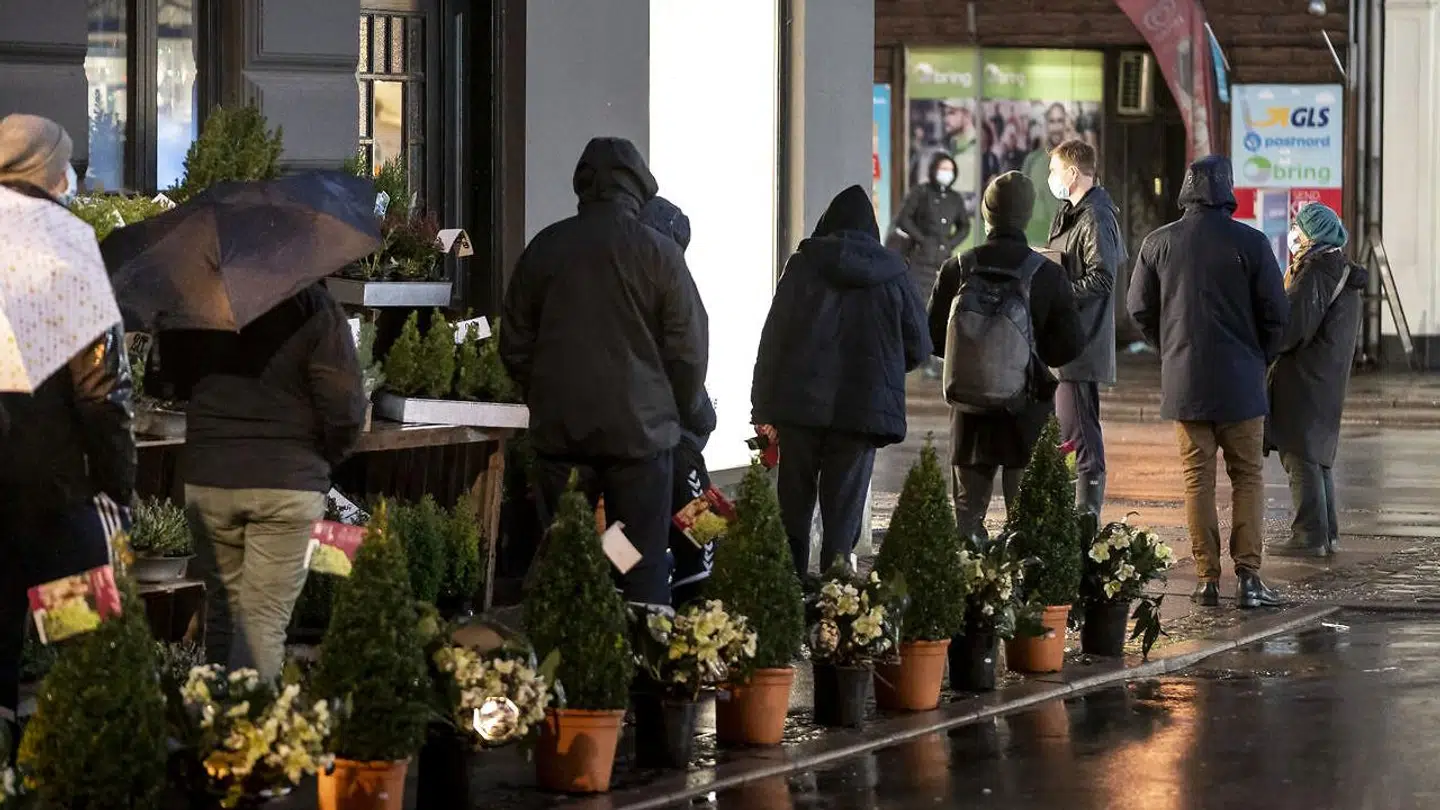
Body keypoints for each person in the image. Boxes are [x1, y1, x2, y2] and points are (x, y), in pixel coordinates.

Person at [501, 137, 709, 607]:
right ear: (639, 188)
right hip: (640, 440)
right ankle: (643, 664)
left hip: (562, 436)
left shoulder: (546, 248)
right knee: (638, 556)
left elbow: (514, 342)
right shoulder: (660, 255)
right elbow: (688, 350)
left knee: (567, 552)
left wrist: (545, 393)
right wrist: (671, 408)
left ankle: (564, 660)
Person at [0, 114, 134, 722]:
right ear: (51, 173)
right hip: (53, 491)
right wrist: (115, 486)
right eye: (68, 167)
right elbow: (102, 390)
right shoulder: (66, 240)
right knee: (91, 654)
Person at [179, 282, 368, 680]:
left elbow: (170, 382)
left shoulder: (196, 299)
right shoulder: (313, 305)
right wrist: (320, 459)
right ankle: (249, 734)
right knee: (262, 621)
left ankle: (217, 725)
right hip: (287, 482)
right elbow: (346, 409)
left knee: (224, 615)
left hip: (210, 475)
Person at [1128, 156, 1290, 609]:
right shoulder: (1252, 244)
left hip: (1186, 384)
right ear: (1228, 191)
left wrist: (1170, 349)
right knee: (1248, 478)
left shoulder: (1158, 243)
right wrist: (1260, 355)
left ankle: (1206, 579)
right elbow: (1278, 314)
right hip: (1242, 384)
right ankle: (1250, 578)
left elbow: (1138, 308)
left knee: (1196, 480)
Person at [753, 185, 930, 577]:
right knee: (843, 513)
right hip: (862, 411)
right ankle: (836, 602)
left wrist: (761, 409)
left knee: (793, 508)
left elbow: (773, 340)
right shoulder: (894, 273)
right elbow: (919, 346)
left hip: (799, 408)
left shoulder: (802, 265)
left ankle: (792, 591)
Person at [929, 172, 1085, 540]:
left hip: (969, 417)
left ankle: (972, 592)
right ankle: (1023, 595)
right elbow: (1068, 348)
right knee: (1026, 526)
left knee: (967, 523)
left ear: (987, 215)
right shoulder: (1047, 274)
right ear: (1027, 215)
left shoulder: (957, 268)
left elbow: (935, 340)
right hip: (1026, 416)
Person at [1266, 204, 1367, 558]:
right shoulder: (1339, 268)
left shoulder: (1318, 270)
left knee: (1300, 453)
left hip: (1305, 375)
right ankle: (1327, 533)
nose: (1294, 233)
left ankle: (1309, 534)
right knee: (1317, 456)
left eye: (1299, 227)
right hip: (1326, 375)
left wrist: (1268, 340)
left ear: (1314, 234)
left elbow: (1294, 327)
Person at [638, 195, 719, 606]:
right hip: (667, 441)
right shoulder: (668, 283)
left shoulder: (599, 271)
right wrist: (702, 415)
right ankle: (691, 613)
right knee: (700, 531)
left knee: (621, 536)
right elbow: (687, 358)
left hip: (602, 443)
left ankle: (632, 591)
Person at [1045, 138, 1126, 516]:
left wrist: (1058, 293)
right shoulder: (1072, 213)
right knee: (1068, 434)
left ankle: (1086, 518)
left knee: (1081, 436)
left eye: (1055, 170)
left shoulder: (1095, 217)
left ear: (1073, 172)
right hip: (1063, 339)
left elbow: (1102, 278)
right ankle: (1074, 512)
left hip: (1080, 343)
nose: (1052, 177)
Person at [894, 153, 969, 377]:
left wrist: (950, 243)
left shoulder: (955, 199)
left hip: (943, 260)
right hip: (920, 261)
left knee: (941, 308)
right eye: (942, 168)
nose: (947, 173)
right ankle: (919, 357)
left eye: (950, 169)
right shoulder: (921, 193)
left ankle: (936, 359)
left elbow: (964, 225)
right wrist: (923, 239)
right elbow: (903, 219)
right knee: (919, 306)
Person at [1021, 102, 1071, 245]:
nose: (1056, 127)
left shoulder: (1076, 162)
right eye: (1052, 122)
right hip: (1035, 241)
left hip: (1065, 241)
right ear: (1046, 125)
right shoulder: (1032, 160)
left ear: (1066, 123)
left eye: (1060, 121)